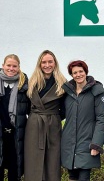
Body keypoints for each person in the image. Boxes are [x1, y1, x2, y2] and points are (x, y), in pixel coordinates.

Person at [0, 54, 30, 181]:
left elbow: (29, 108)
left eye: (14, 66)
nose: (11, 68)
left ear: (18, 67)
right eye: (8, 65)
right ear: (3, 66)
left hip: (16, 134)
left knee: (14, 170)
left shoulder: (24, 84)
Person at [24, 50, 66, 181]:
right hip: (34, 126)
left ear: (55, 63)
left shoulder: (63, 84)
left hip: (53, 125)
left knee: (52, 162)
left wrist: (53, 117)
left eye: (50, 62)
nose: (47, 65)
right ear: (39, 64)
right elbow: (26, 106)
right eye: (44, 62)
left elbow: (65, 109)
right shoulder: (31, 83)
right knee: (33, 162)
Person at [61, 60, 104, 181]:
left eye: (80, 71)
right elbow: (60, 114)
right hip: (69, 144)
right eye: (74, 72)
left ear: (86, 72)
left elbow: (101, 119)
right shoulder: (67, 92)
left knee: (84, 177)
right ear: (71, 75)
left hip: (87, 143)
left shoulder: (96, 91)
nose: (78, 74)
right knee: (72, 177)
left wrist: (96, 144)